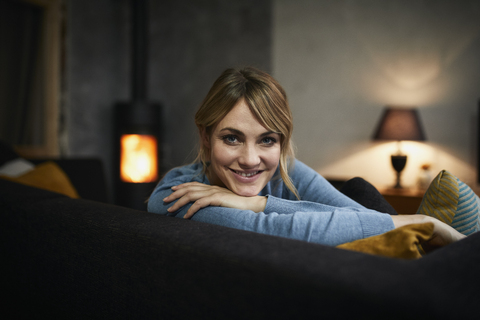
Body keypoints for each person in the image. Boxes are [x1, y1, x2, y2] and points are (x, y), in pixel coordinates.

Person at [147, 67, 464, 249]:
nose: (249, 158)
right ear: (205, 136)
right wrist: (423, 222)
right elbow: (278, 233)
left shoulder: (288, 171)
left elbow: (362, 219)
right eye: (232, 138)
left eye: (267, 140)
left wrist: (257, 202)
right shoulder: (179, 195)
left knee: (361, 190)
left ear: (282, 144)